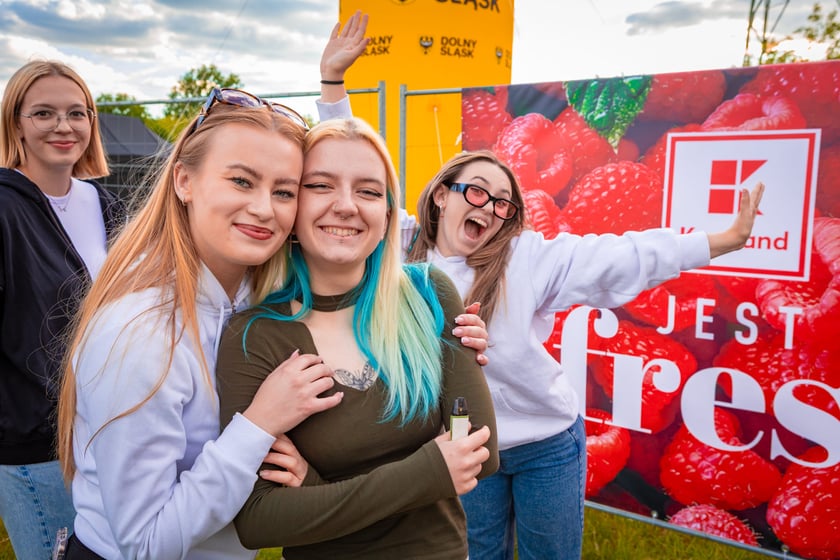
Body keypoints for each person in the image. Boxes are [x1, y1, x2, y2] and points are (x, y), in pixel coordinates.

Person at [405, 149, 765, 560]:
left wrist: (722, 241)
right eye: (477, 192)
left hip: (545, 443)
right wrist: (331, 88)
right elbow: (350, 186)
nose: (488, 207)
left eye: (501, 202)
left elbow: (622, 255)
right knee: (479, 554)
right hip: (468, 444)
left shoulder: (526, 257)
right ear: (441, 196)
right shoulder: (404, 250)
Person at [215, 117, 499, 559]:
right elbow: (256, 521)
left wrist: (316, 491)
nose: (346, 206)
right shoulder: (255, 335)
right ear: (291, 206)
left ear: (387, 215)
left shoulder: (429, 294)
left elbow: (479, 450)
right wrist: (429, 472)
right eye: (322, 186)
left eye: (368, 191)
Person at [0, 60, 125, 560]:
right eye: (44, 113)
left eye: (77, 112)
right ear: (16, 124)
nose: (63, 126)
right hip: (37, 446)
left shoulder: (107, 204)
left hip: (106, 431)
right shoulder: (5, 207)